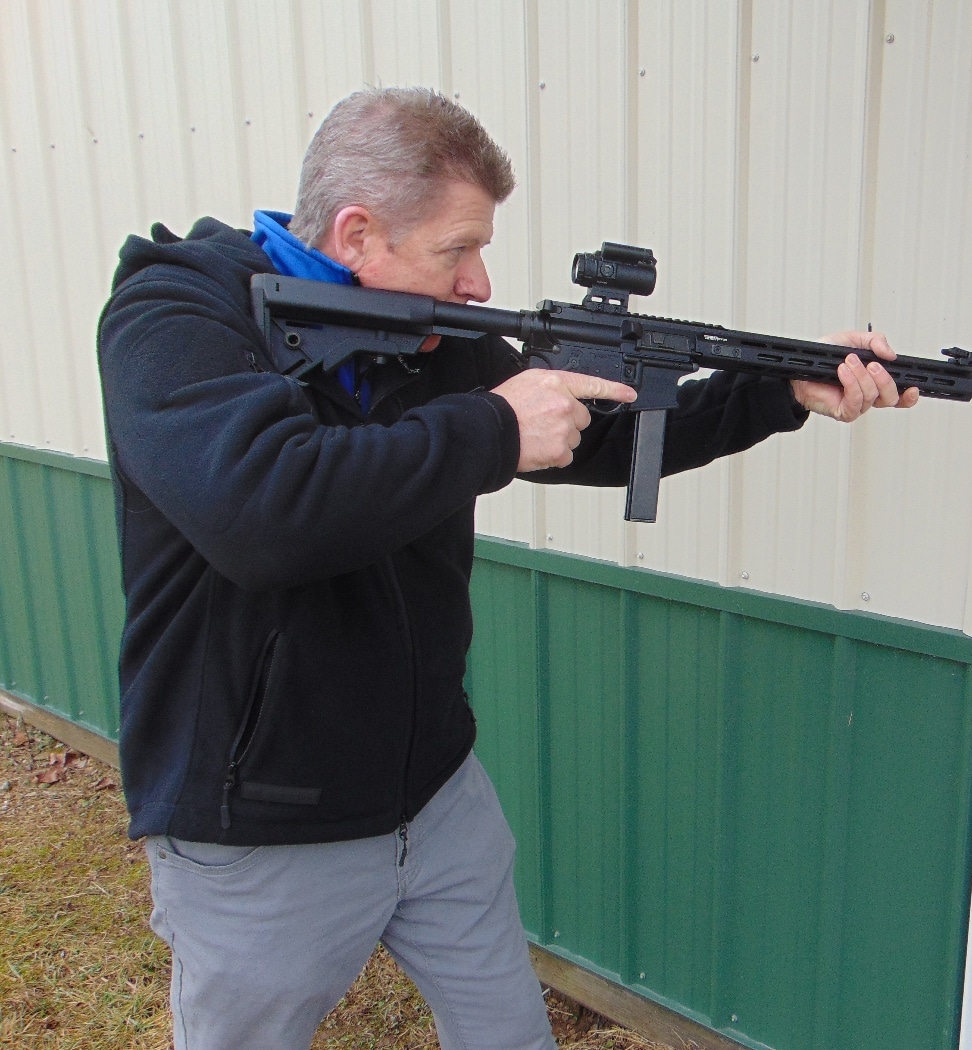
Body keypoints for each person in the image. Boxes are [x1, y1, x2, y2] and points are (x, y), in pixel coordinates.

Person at [96, 86, 918, 1050]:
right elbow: (261, 511)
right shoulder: (175, 316)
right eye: (459, 249)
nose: (481, 283)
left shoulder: (425, 335)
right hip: (262, 827)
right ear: (358, 233)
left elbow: (596, 436)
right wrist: (493, 426)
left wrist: (776, 390)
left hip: (437, 799)